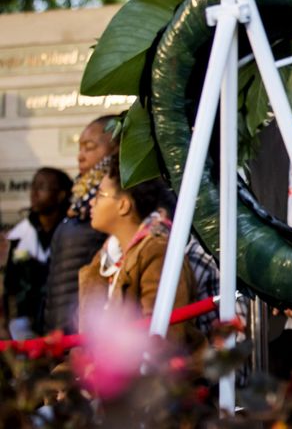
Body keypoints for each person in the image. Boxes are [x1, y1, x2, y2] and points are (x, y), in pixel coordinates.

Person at [78, 163, 195, 345]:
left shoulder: (157, 251)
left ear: (123, 205)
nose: (92, 202)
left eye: (100, 195)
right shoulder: (105, 258)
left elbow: (163, 341)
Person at [45, 115, 119, 333]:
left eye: (89, 147)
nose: (80, 156)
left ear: (115, 148)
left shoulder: (116, 196)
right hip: (60, 322)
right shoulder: (78, 201)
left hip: (83, 326)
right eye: (80, 148)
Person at [3, 168, 72, 338]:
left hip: (63, 324)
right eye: (33, 186)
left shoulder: (72, 230)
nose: (34, 193)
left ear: (61, 195)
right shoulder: (21, 233)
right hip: (24, 323)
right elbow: (10, 284)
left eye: (42, 187)